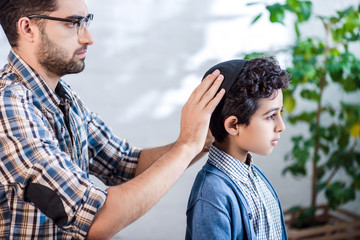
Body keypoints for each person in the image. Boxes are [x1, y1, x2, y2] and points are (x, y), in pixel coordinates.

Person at [0, 0, 225, 239]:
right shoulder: (9, 106)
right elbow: (97, 219)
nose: (88, 37)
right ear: (27, 29)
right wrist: (187, 145)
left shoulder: (64, 98)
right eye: (73, 23)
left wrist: (204, 139)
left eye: (86, 22)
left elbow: (125, 163)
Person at [185, 57, 291, 239]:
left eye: (279, 113)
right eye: (270, 116)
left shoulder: (256, 177)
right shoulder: (212, 194)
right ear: (233, 125)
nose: (281, 126)